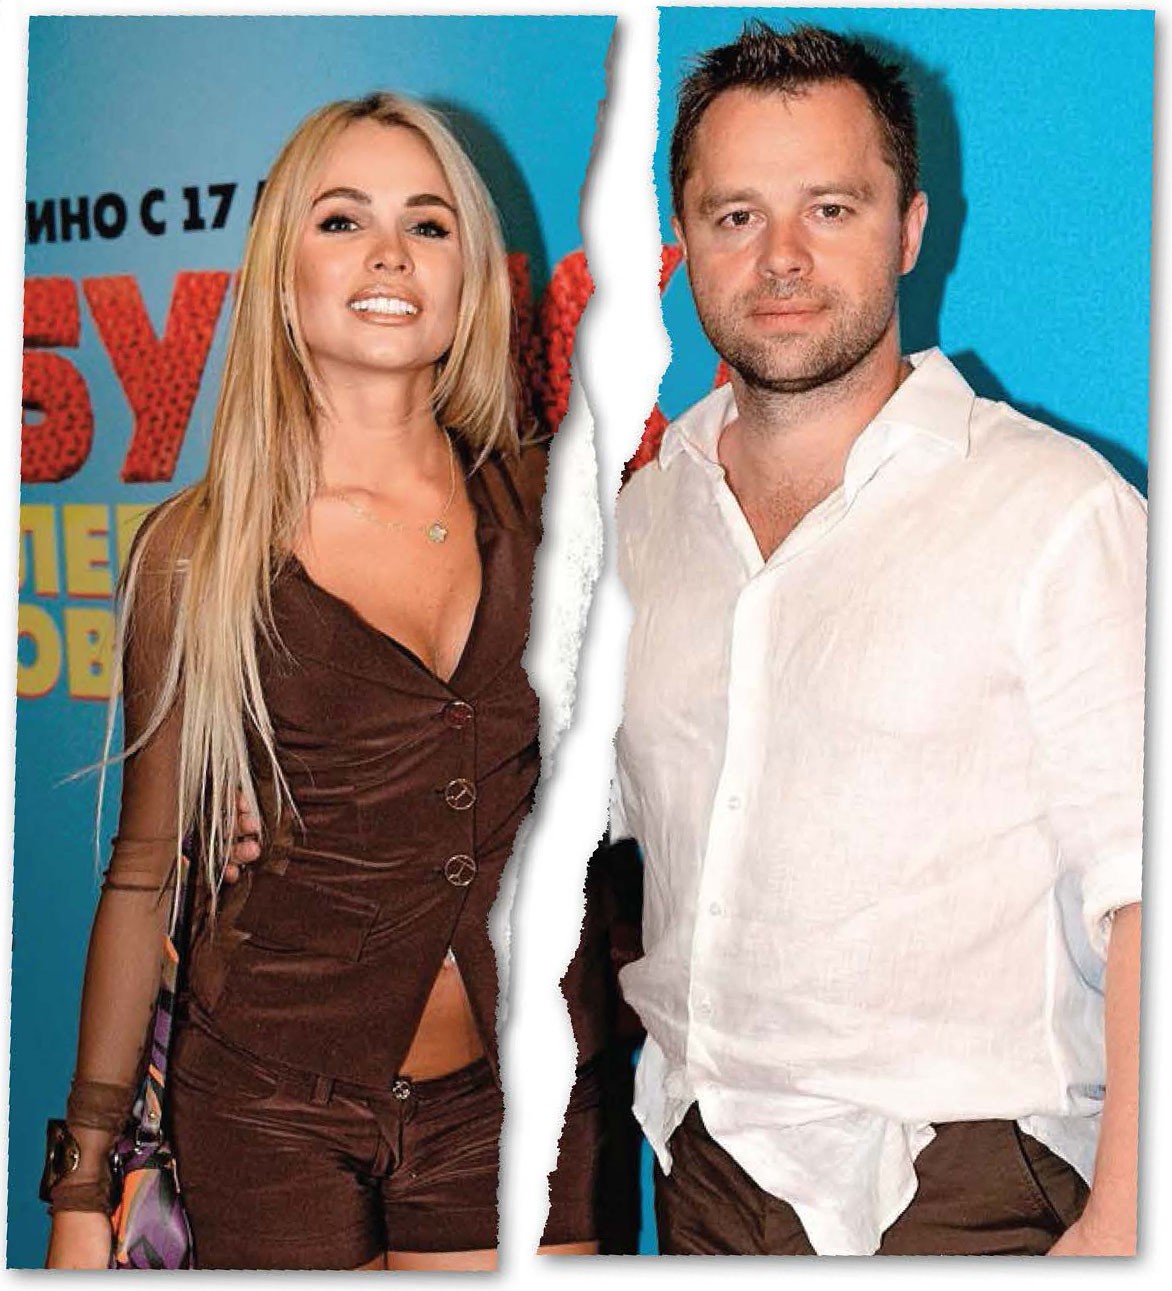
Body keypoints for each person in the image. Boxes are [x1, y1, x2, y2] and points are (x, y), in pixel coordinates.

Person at [43, 91, 599, 1269]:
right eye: (342, 220)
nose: (390, 253)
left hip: (522, 1099)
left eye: (427, 224)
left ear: (469, 276)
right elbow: (143, 873)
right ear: (281, 270)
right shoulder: (197, 553)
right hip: (267, 1110)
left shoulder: (560, 507)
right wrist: (84, 1182)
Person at [613, 22, 1144, 1257]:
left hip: (959, 1184)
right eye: (735, 215)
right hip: (701, 1165)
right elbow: (573, 812)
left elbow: (1146, 888)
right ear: (682, 240)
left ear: (906, 229)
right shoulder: (641, 522)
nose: (780, 258)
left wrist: (1123, 1220)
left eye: (830, 208)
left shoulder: (1057, 513)